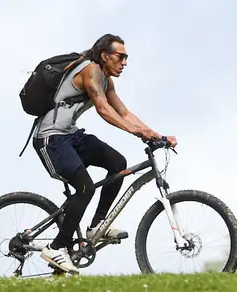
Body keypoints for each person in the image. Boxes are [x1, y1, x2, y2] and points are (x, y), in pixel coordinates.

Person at [31, 34, 177, 274]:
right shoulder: (90, 71)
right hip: (51, 139)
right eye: (121, 57)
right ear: (104, 56)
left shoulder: (107, 81)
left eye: (126, 57)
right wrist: (136, 132)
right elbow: (103, 109)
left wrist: (156, 135)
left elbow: (124, 112)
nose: (125, 62)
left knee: (118, 163)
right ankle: (56, 247)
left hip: (71, 135)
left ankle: (97, 225)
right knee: (85, 188)